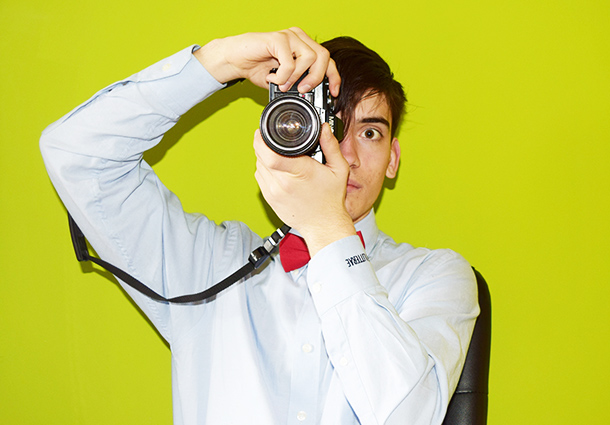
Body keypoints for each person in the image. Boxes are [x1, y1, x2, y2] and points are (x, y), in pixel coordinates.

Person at [40, 27, 478, 425]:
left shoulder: (438, 276)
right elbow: (75, 152)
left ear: (393, 160)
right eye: (331, 125)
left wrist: (326, 227)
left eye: (369, 133)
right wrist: (218, 64)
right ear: (290, 132)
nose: (345, 155)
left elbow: (409, 416)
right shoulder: (208, 265)